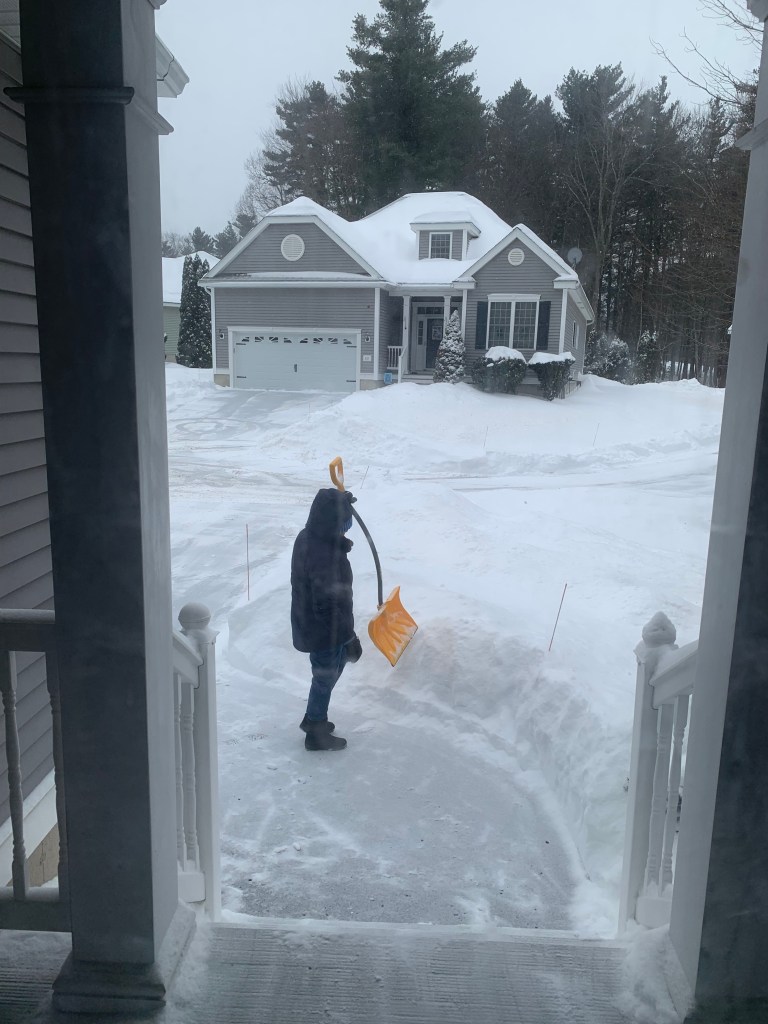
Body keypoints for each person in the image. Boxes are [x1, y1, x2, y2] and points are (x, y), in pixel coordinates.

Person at [291, 487, 362, 751]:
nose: (346, 532)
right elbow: (328, 604)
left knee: (329, 672)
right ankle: (315, 730)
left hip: (315, 624)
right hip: (323, 630)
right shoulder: (324, 556)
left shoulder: (309, 536)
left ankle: (314, 716)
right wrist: (348, 638)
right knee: (325, 676)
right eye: (343, 526)